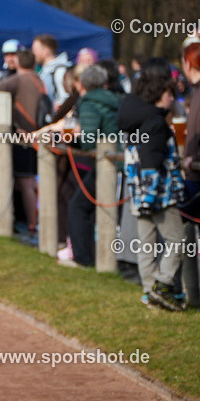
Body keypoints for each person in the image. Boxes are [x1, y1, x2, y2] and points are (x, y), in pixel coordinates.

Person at [117, 63, 187, 311]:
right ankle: (163, 284)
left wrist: (143, 198)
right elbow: (152, 163)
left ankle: (150, 293)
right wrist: (151, 197)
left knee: (146, 244)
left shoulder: (135, 120)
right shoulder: (156, 123)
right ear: (159, 96)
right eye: (170, 95)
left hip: (139, 193)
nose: (173, 99)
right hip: (159, 195)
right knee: (178, 240)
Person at [43, 65, 120, 267]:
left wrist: (67, 139)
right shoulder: (112, 99)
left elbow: (88, 140)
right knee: (89, 207)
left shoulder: (89, 102)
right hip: (115, 159)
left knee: (77, 207)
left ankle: (83, 258)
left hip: (106, 162)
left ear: (83, 83)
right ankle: (92, 256)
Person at [0, 49, 45, 246]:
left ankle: (33, 224)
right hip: (33, 137)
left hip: (24, 138)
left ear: (17, 63)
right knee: (28, 182)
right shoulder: (37, 79)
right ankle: (31, 222)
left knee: (25, 183)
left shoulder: (20, 79)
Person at [181, 42, 200, 244]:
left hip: (198, 172)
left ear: (188, 64)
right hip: (195, 170)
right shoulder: (197, 91)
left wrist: (195, 157)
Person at [31, 34, 70, 107]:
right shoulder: (44, 71)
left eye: (35, 50)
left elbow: (66, 97)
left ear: (46, 51)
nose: (33, 54)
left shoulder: (60, 71)